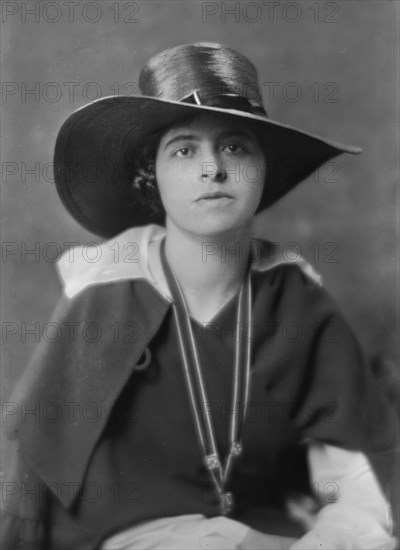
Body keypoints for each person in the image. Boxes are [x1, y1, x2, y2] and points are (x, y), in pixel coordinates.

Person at [1, 42, 398, 550]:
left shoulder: (293, 297)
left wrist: (325, 537)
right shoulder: (103, 297)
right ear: (153, 178)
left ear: (264, 170)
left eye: (235, 147)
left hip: (268, 532)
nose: (212, 168)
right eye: (184, 150)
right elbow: (36, 484)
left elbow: (356, 468)